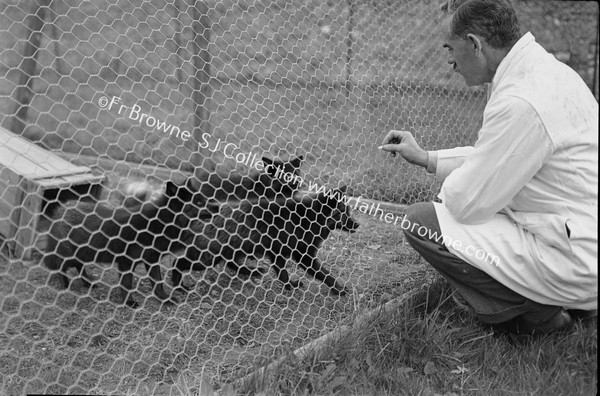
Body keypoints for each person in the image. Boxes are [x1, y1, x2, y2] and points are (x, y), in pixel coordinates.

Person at [379, 0, 598, 334]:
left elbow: (467, 203)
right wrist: (427, 158)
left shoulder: (521, 101)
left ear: (474, 44)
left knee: (423, 221)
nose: (450, 61)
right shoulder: (544, 71)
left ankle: (538, 317)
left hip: (573, 257)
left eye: (449, 48)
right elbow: (499, 156)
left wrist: (449, 193)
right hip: (574, 232)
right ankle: (556, 302)